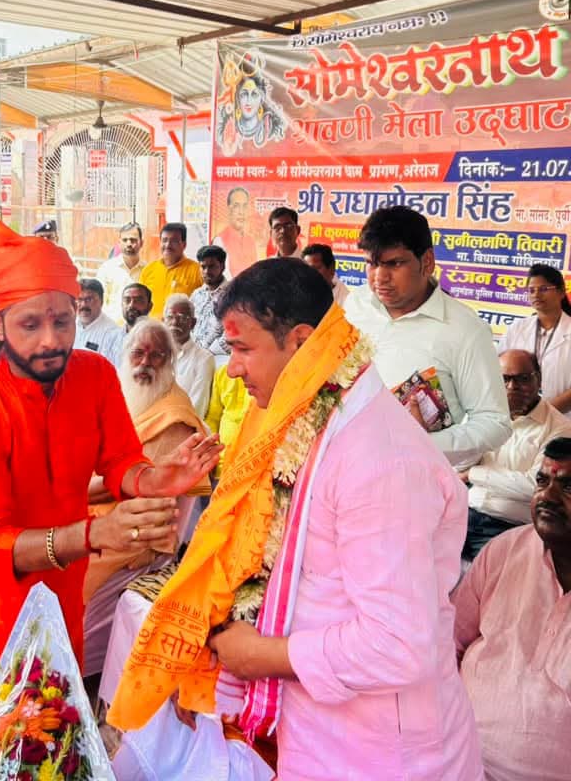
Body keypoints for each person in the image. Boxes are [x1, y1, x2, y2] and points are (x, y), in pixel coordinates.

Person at [109, 259, 482, 781]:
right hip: (317, 731)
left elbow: (398, 644)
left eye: (242, 349)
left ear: (301, 341)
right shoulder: (306, 419)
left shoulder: (378, 461)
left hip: (385, 753)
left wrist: (263, 655)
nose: (231, 370)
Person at [0, 214, 221, 700]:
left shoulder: (94, 375)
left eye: (61, 321)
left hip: (65, 593)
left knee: (61, 712)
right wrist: (92, 534)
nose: (50, 339)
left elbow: (120, 459)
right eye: (30, 324)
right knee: (6, 724)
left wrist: (151, 479)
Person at [83, 320, 208, 675]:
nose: (145, 363)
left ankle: (75, 667)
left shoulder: (174, 418)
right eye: (138, 353)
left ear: (171, 361)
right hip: (105, 508)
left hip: (140, 530)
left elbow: (141, 487)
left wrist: (72, 491)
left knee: (71, 558)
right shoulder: (128, 395)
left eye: (157, 356)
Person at [344, 205, 510, 469]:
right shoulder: (355, 305)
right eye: (372, 264)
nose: (380, 278)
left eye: (394, 263)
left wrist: (423, 443)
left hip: (415, 477)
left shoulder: (465, 330)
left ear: (427, 262)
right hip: (347, 465)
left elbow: (495, 422)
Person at [452, 438, 571, 781]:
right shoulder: (503, 550)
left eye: (568, 487)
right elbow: (448, 644)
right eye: (542, 481)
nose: (547, 496)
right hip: (458, 759)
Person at [462, 349, 571, 560]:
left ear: (539, 380)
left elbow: (536, 486)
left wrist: (474, 474)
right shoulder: (482, 412)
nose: (513, 387)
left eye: (523, 379)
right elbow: (458, 466)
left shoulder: (560, 429)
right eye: (504, 379)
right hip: (462, 512)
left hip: (506, 526)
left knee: (484, 578)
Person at [498, 263, 571, 416]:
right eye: (531, 290)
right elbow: (498, 371)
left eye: (544, 289)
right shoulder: (517, 329)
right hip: (518, 418)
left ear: (561, 292)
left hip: (564, 419)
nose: (536, 295)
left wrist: (543, 414)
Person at [163, 294, 215, 418]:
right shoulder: (154, 355)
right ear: (163, 321)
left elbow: (198, 408)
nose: (175, 322)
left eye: (182, 318)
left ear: (193, 323)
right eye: (170, 317)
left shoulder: (204, 359)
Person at [139, 223, 203, 319]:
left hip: (182, 327)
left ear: (184, 244)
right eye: (164, 240)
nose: (168, 245)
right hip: (152, 326)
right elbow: (140, 303)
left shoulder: (198, 271)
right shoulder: (148, 270)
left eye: (174, 241)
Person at [205, 363, 250, 480]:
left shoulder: (264, 376)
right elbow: (212, 418)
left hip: (250, 464)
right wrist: (211, 451)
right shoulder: (222, 372)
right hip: (220, 464)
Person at [96, 222, 145, 324]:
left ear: (141, 243)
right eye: (125, 240)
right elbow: (98, 300)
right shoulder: (107, 269)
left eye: (133, 240)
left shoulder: (148, 270)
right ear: (119, 243)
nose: (129, 244)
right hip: (111, 327)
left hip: (138, 328)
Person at [190, 245, 229, 359]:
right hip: (193, 356)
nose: (206, 271)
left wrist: (207, 353)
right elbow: (188, 325)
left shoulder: (233, 295)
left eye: (211, 266)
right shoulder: (196, 295)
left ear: (222, 266)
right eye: (203, 267)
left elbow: (232, 332)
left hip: (217, 359)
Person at [105, 283, 154, 369]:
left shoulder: (157, 338)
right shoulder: (112, 337)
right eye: (127, 300)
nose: (131, 305)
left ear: (149, 306)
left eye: (138, 301)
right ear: (121, 305)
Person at [213, 187, 257, 278]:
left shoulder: (251, 241)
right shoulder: (220, 240)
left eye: (244, 206)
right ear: (229, 209)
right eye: (236, 206)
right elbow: (222, 277)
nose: (241, 212)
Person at [74, 278, 122, 361]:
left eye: (89, 299)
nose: (83, 304)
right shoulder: (69, 325)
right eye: (79, 299)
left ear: (101, 301)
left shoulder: (113, 333)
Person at [301, 243, 349, 307]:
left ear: (331, 268)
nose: (309, 274)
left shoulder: (346, 300)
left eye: (315, 269)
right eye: (306, 269)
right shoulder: (299, 294)